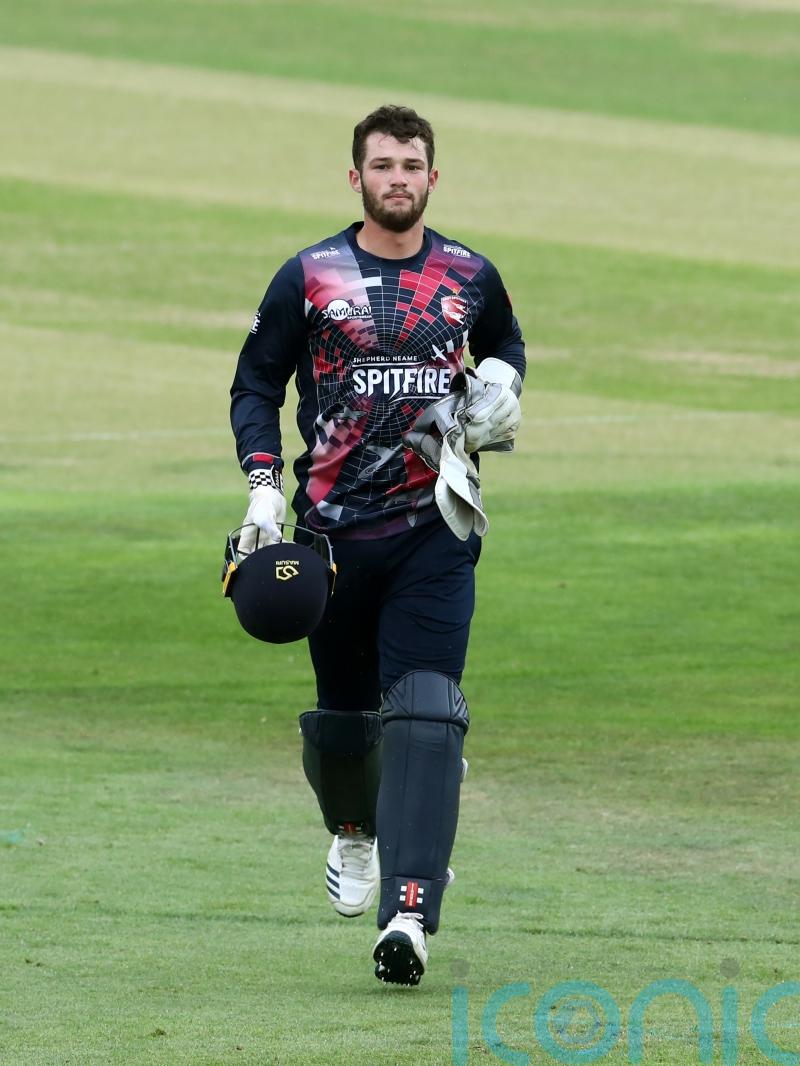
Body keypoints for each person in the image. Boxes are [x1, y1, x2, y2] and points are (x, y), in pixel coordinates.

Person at [229, 105, 525, 986]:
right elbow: (255, 384)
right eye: (383, 165)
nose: (398, 178)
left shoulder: (471, 273)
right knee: (350, 726)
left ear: (435, 178)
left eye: (413, 165)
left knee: (429, 712)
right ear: (355, 179)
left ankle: (410, 914)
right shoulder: (311, 276)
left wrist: (505, 377)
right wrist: (260, 487)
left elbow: (503, 337)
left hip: (435, 525)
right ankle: (353, 832)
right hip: (329, 537)